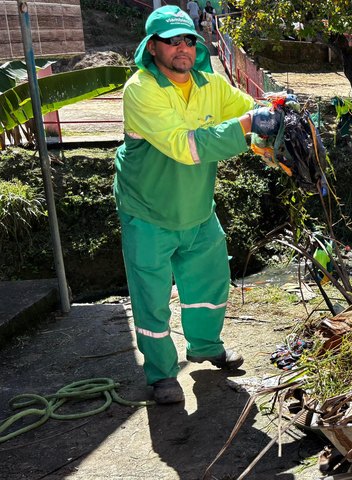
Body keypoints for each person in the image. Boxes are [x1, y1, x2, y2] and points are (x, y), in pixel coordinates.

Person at [114, 6, 283, 404]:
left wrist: (273, 113)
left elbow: (247, 109)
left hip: (197, 207)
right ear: (152, 47)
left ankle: (205, 346)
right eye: (172, 41)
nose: (182, 48)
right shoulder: (141, 90)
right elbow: (186, 147)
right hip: (148, 211)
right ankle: (160, 373)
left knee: (209, 282)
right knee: (152, 298)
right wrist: (247, 127)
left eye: (189, 39)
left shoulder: (210, 85)